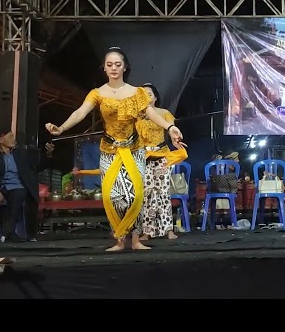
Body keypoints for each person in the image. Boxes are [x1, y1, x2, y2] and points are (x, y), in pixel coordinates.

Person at [45, 47, 186, 252]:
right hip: (110, 150)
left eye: (117, 64)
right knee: (113, 197)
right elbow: (81, 112)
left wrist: (170, 127)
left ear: (125, 67)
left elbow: (151, 113)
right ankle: (119, 240)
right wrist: (62, 127)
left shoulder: (137, 93)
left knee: (136, 195)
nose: (113, 68)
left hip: (134, 149)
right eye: (109, 64)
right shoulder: (97, 93)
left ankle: (136, 240)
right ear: (104, 68)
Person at [0, 129, 54, 242]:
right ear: (1, 140)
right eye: (10, 137)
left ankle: (9, 232)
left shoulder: (21, 154)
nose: (14, 139)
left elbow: (38, 167)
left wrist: (48, 154)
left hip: (18, 188)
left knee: (18, 193)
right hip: (1, 189)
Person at [138, 82, 178, 241]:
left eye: (149, 94)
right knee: (148, 194)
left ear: (155, 98)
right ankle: (147, 231)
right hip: (144, 157)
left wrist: (176, 139)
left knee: (163, 193)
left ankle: (168, 230)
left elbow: (172, 130)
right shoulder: (137, 115)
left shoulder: (164, 113)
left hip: (162, 156)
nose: (146, 97)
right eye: (142, 94)